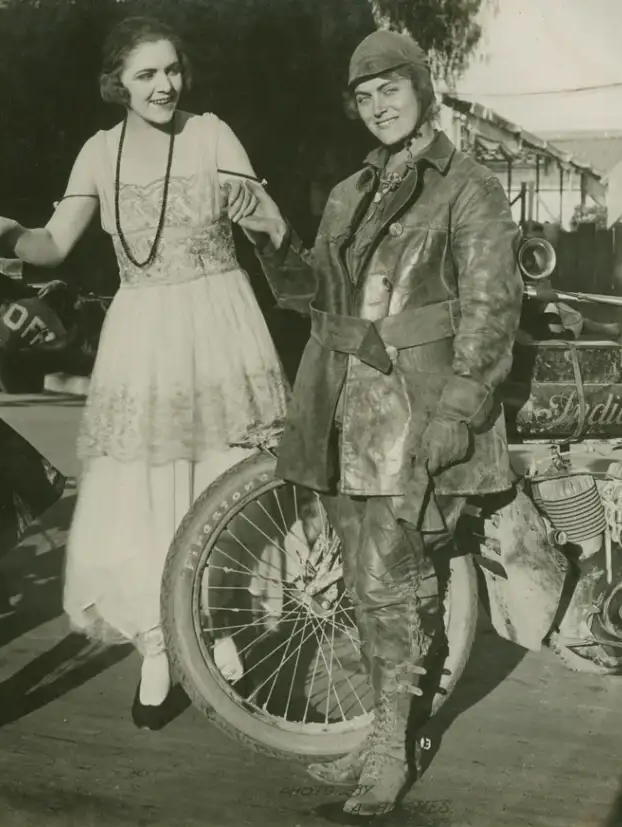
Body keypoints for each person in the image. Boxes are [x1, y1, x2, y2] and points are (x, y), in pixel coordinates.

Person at [0, 16, 289, 728]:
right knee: (141, 491)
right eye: (146, 74)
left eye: (171, 70)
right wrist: (7, 232)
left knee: (221, 475)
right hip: (141, 334)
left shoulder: (212, 134)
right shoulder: (98, 153)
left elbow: (271, 223)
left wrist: (258, 211)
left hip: (220, 323)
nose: (164, 85)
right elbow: (51, 245)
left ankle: (219, 624)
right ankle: (156, 644)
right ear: (118, 84)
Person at [238, 30, 523, 816]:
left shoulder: (469, 187)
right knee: (368, 590)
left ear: (423, 88)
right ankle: (376, 735)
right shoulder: (348, 192)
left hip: (418, 408)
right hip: (341, 413)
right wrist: (269, 237)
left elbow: (494, 310)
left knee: (388, 579)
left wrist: (461, 408)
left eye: (390, 88)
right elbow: (314, 296)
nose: (377, 106)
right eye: (363, 98)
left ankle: (392, 744)